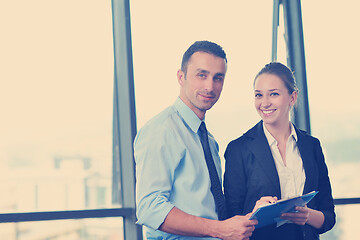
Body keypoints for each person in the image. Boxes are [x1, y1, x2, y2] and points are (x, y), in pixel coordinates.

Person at [134, 40, 257, 240]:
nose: (210, 86)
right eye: (202, 75)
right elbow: (149, 208)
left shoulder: (207, 140)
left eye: (218, 78)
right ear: (181, 77)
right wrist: (219, 229)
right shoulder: (162, 130)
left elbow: (210, 207)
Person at [223, 62, 336, 240]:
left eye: (273, 94)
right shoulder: (239, 149)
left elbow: (328, 217)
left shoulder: (311, 146)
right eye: (258, 95)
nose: (264, 103)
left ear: (292, 97)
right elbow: (229, 221)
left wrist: (308, 215)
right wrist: (255, 213)